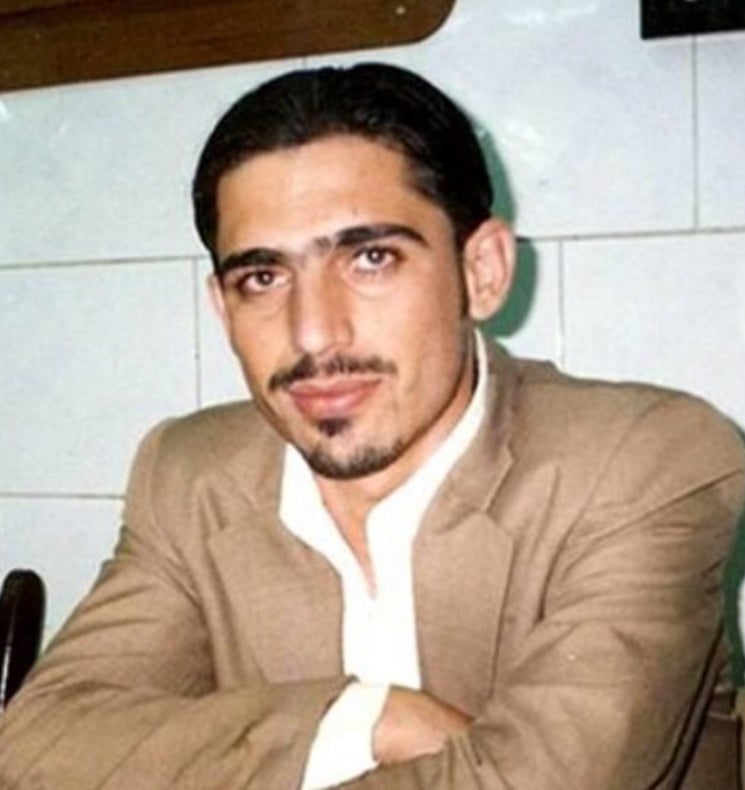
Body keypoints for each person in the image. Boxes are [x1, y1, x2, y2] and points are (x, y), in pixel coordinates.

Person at [0, 63, 743, 790]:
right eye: (263, 277)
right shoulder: (191, 475)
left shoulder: (644, 463)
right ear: (222, 310)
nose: (314, 333)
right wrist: (364, 719)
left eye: (371, 258)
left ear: (481, 271)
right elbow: (36, 747)